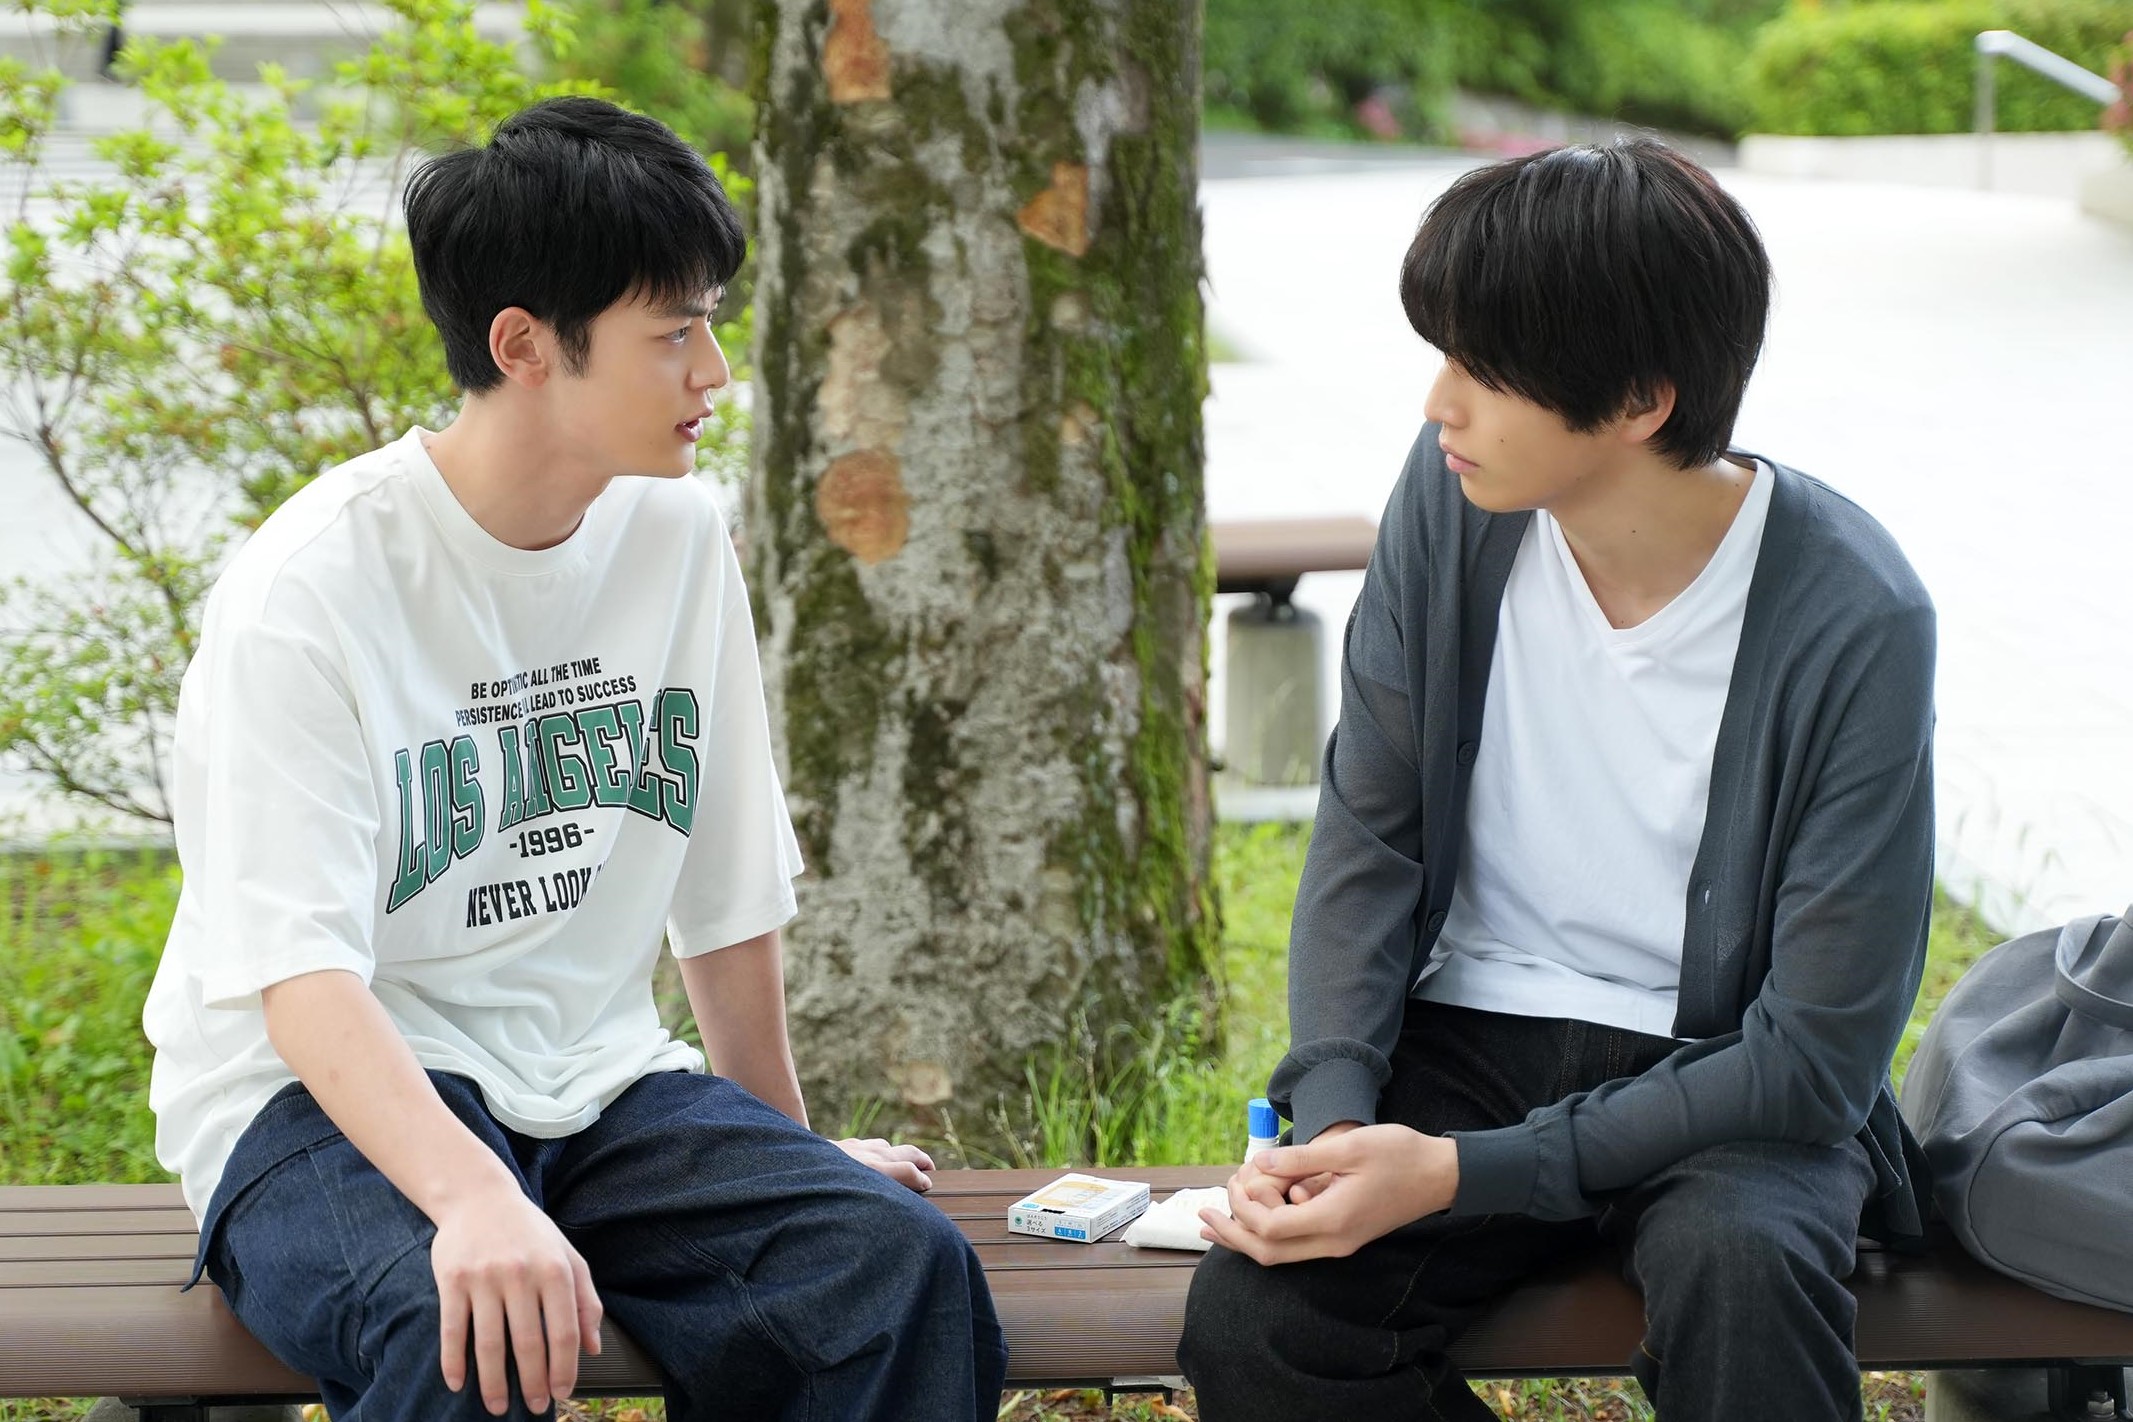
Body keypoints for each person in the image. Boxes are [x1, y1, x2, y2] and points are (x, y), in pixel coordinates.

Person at [143, 96, 1007, 1422]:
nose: (714, 372)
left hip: (594, 1085)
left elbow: (721, 885)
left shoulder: (675, 535)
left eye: (710, 324)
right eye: (674, 333)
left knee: (889, 1268)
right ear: (524, 345)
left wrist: (786, 1149)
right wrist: (474, 1197)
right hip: (315, 1100)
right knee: (460, 1322)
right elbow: (300, 979)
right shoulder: (310, 587)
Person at [1177, 138, 1937, 1421]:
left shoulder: (1855, 614)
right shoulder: (1451, 504)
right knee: (1262, 1323)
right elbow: (1369, 835)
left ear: (1639, 400)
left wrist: (1458, 1174)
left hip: (1725, 1080)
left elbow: (1816, 1058)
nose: (1440, 405)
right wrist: (1339, 1122)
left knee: (1746, 1270)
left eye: (1485, 371)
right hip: (1470, 1037)